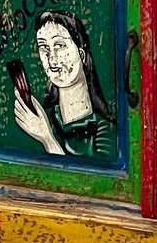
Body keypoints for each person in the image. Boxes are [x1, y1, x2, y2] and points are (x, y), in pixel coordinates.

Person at [11, 11, 117, 162]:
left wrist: (47, 138)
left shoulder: (104, 131)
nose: (51, 59)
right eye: (43, 47)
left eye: (59, 45)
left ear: (81, 54)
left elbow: (82, 177)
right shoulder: (44, 118)